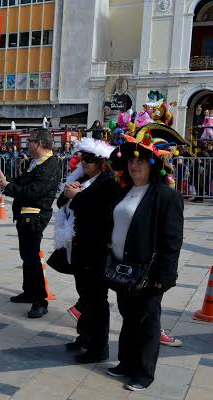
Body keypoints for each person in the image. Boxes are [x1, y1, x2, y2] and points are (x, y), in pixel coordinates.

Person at [106, 126, 184, 391]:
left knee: (148, 321)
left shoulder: (166, 196)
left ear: (152, 164)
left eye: (140, 159)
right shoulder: (124, 191)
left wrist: (164, 275)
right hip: (122, 268)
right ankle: (126, 363)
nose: (134, 164)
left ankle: (143, 372)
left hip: (148, 271)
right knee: (129, 317)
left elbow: (172, 240)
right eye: (130, 160)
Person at [53, 138, 117, 363]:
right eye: (83, 159)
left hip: (96, 249)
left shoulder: (108, 182)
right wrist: (69, 193)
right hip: (77, 247)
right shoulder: (78, 178)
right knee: (84, 295)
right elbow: (61, 202)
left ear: (102, 162)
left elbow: (99, 212)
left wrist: (76, 197)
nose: (85, 163)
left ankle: (99, 348)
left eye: (89, 160)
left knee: (97, 299)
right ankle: (85, 337)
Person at [0, 128, 62, 318]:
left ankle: (40, 300)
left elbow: (34, 192)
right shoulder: (34, 162)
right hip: (24, 216)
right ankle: (29, 291)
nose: (27, 144)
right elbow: (20, 184)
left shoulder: (51, 165)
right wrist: (6, 181)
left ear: (41, 143)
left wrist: (7, 186)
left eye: (31, 141)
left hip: (36, 216)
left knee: (33, 258)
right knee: (26, 256)